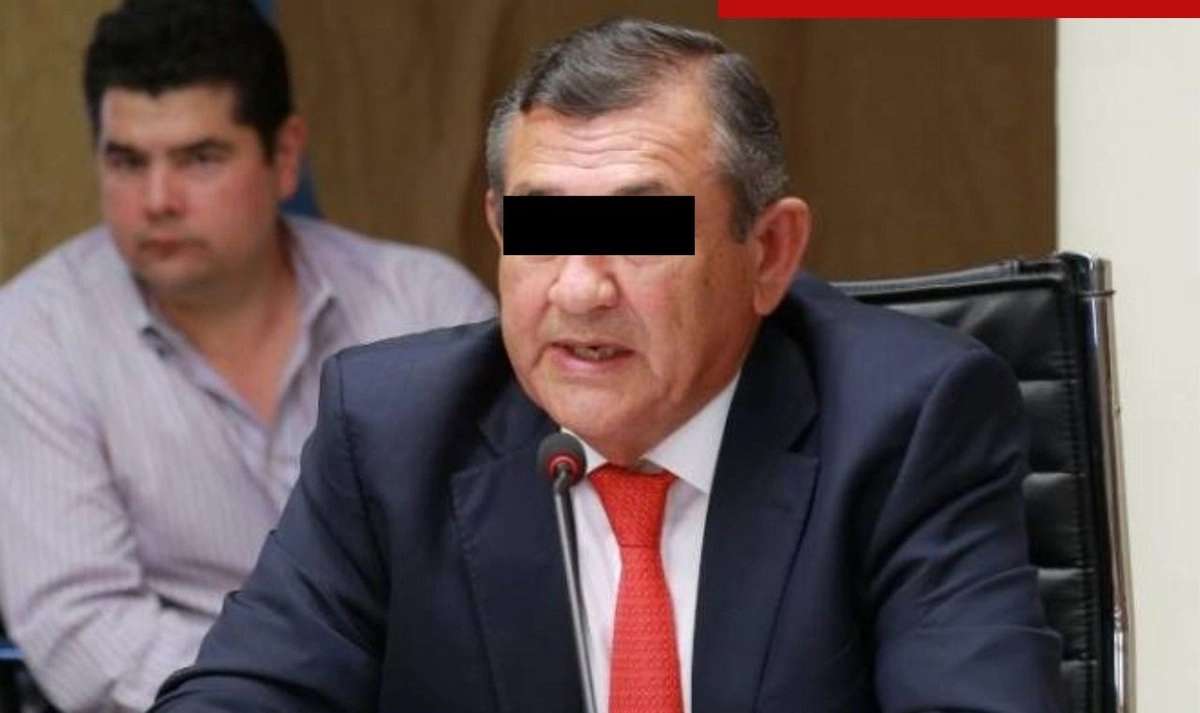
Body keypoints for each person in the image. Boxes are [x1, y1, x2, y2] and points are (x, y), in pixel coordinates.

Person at [151, 18, 1063, 713]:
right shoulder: (391, 431)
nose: (580, 289)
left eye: (638, 232)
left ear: (770, 252)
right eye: (542, 231)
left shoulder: (905, 421)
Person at [0, 1, 495, 711]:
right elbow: (83, 628)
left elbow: (509, 561)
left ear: (285, 156)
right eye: (127, 161)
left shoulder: (428, 306)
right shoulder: (33, 333)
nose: (158, 200)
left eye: (200, 158)